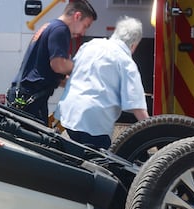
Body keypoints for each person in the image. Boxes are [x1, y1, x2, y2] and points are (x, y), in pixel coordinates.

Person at [55, 16, 149, 149]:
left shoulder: (90, 45)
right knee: (99, 164)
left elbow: (72, 72)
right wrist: (153, 134)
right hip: (93, 122)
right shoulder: (126, 62)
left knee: (77, 158)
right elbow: (138, 107)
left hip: (69, 114)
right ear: (134, 45)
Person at [6, 0, 97, 125]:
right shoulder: (61, 29)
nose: (83, 32)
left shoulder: (50, 26)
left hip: (27, 95)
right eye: (85, 26)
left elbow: (47, 72)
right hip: (31, 98)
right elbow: (58, 65)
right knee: (35, 142)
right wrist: (83, 68)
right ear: (77, 16)